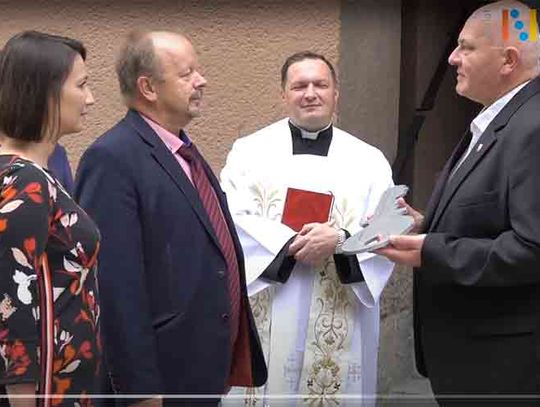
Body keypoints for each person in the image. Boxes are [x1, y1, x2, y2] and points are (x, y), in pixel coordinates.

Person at [74, 30, 267, 406]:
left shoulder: (184, 151)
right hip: (162, 379)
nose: (202, 81)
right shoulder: (113, 158)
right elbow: (115, 288)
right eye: (187, 73)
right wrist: (141, 392)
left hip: (201, 371)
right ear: (148, 87)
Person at [377, 0, 540, 405]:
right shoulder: (501, 119)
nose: (452, 58)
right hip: (476, 361)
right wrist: (426, 224)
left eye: (466, 47)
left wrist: (432, 251)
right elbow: (495, 218)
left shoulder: (533, 127)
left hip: (507, 370)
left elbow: (532, 248)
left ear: (508, 60)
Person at [220, 51, 394, 406]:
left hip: (341, 306)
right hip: (270, 298)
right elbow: (231, 218)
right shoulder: (248, 152)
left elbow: (388, 225)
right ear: (283, 95)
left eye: (320, 84)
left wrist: (341, 240)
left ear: (335, 94)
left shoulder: (369, 159)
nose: (310, 93)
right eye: (299, 85)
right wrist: (288, 244)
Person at [0, 31, 101, 406]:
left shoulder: (36, 174)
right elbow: (13, 304)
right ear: (45, 91)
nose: (90, 99)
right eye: (82, 85)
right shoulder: (23, 180)